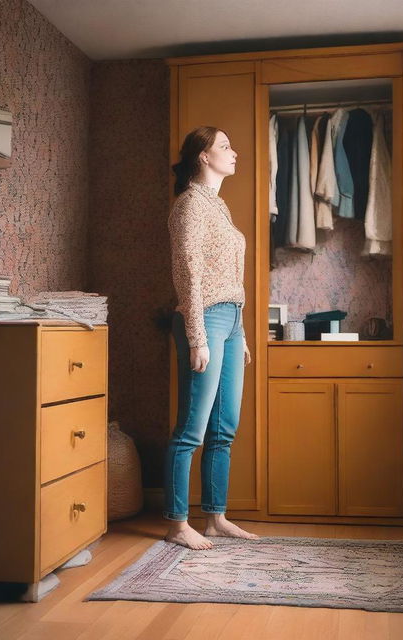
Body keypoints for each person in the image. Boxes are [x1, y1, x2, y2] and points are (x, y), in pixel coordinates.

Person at [164, 126, 259, 550]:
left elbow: (228, 277)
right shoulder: (189, 206)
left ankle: (215, 518)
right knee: (192, 430)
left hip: (231, 319)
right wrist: (198, 336)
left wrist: (240, 334)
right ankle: (176, 522)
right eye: (225, 145)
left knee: (225, 428)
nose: (233, 152)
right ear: (202, 156)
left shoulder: (218, 207)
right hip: (205, 319)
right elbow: (189, 273)